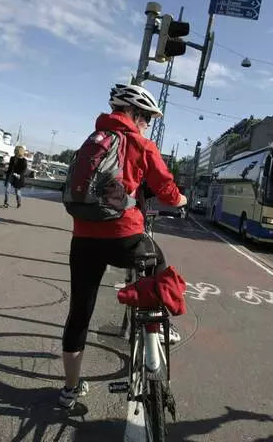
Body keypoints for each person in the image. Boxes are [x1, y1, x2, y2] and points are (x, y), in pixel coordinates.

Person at [59, 84, 187, 408]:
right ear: (135, 114)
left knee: (79, 313)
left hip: (84, 237)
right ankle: (158, 326)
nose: (147, 124)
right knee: (158, 263)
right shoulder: (140, 143)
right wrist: (181, 199)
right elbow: (166, 187)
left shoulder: (94, 140)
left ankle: (69, 390)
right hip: (124, 236)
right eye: (146, 118)